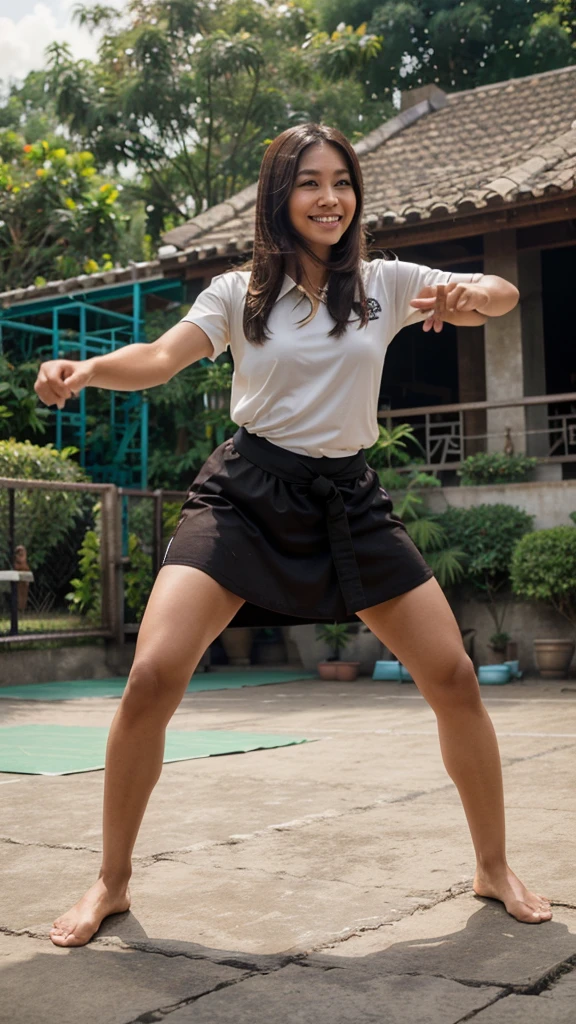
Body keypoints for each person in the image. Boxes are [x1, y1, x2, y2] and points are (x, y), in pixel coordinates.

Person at [34, 123, 551, 947]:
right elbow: (163, 358)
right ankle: (111, 881)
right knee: (153, 674)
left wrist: (471, 297)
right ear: (281, 197)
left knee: (454, 675)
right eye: (311, 183)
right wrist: (88, 370)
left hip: (348, 497)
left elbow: (501, 294)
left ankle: (492, 864)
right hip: (246, 493)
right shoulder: (236, 295)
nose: (330, 198)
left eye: (342, 182)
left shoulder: (384, 283)